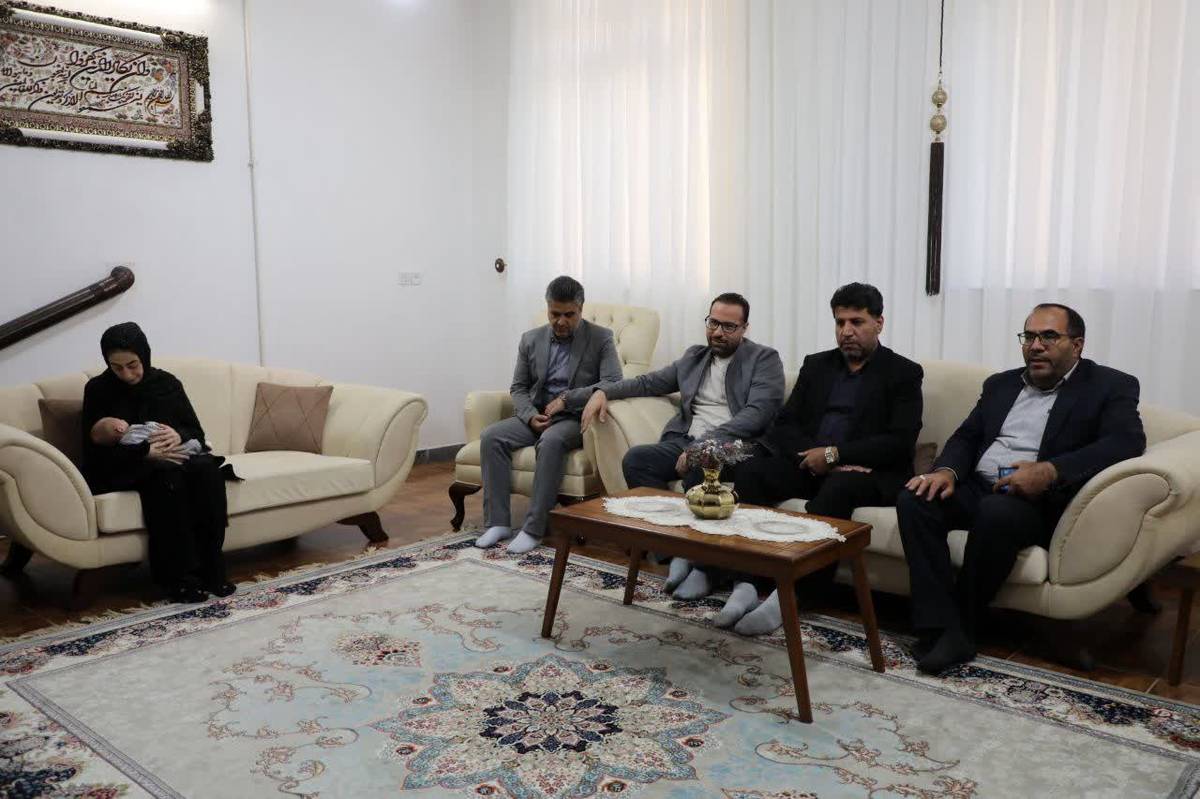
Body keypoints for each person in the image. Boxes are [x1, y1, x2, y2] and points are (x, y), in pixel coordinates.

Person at [898, 303, 1145, 674]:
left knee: (996, 512)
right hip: (978, 485)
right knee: (915, 498)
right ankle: (936, 626)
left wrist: (1050, 471)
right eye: (1029, 336)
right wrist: (946, 471)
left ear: (1077, 344)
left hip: (1037, 501)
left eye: (1049, 336)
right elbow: (968, 436)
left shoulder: (1110, 386)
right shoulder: (1001, 384)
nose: (1036, 346)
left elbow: (1126, 442)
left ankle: (963, 628)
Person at [718, 283, 924, 634]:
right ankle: (746, 583)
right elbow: (785, 424)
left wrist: (835, 455)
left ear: (879, 323)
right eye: (840, 322)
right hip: (810, 463)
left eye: (857, 322)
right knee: (751, 473)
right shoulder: (817, 365)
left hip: (867, 473)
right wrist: (814, 455)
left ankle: (793, 597)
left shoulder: (903, 373)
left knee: (838, 489)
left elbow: (899, 441)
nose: (847, 331)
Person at [581, 292, 786, 599]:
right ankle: (674, 552)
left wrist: (703, 447)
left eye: (729, 326)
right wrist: (603, 392)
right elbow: (647, 383)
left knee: (699, 471)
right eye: (713, 323)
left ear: (745, 329)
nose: (718, 332)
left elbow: (757, 414)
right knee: (637, 460)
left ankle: (703, 567)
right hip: (685, 441)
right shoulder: (694, 358)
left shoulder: (764, 359)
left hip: (736, 446)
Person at [81, 322, 239, 603]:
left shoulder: (166, 384)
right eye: (117, 367)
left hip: (176, 458)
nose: (127, 374)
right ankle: (179, 579)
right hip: (127, 467)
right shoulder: (98, 390)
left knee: (207, 472)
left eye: (133, 365)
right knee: (167, 481)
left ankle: (212, 569)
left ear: (144, 355)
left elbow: (196, 432)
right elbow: (94, 449)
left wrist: (178, 434)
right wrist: (144, 453)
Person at [475, 276, 623, 554]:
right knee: (492, 436)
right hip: (537, 414)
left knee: (551, 441)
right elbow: (519, 387)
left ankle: (534, 529)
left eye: (569, 315)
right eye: (555, 314)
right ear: (547, 308)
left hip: (575, 417)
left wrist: (567, 400)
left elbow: (613, 382)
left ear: (581, 309)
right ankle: (498, 522)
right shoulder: (530, 339)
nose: (561, 321)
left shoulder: (601, 338)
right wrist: (530, 415)